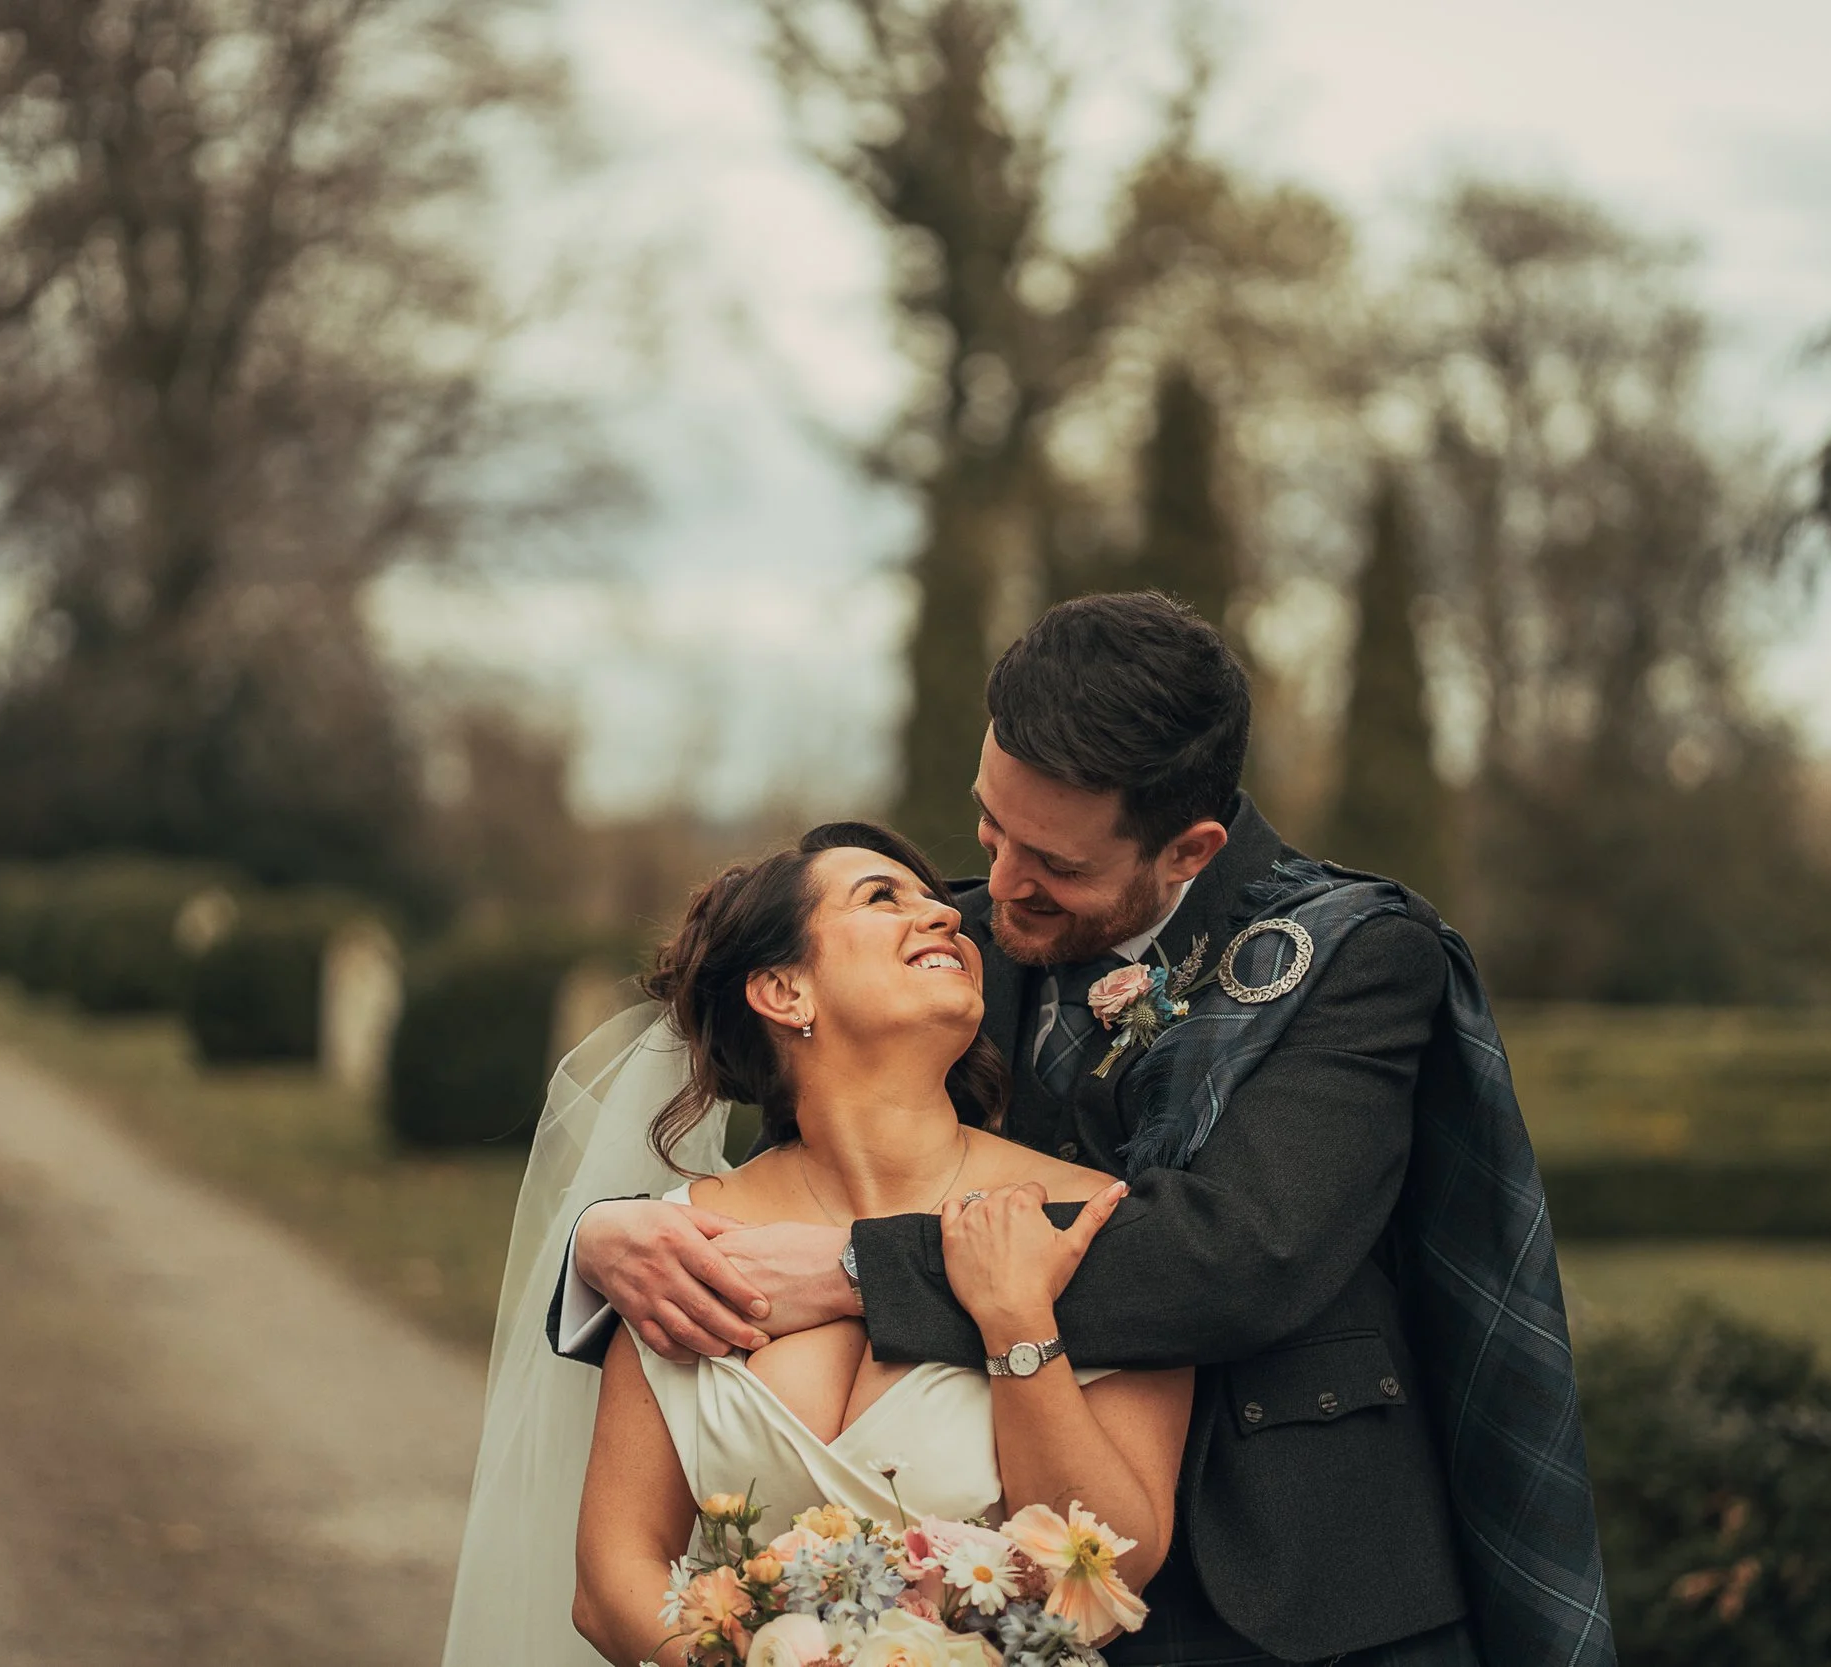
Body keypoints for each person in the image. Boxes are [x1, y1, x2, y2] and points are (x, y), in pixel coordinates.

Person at [546, 593, 1616, 1667]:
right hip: (979, 1590)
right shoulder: (947, 947)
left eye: (1052, 862)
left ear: (1188, 848)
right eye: (988, 825)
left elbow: (1244, 1251)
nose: (995, 887)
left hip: (1298, 1595)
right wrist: (603, 1238)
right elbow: (802, 1154)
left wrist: (861, 1271)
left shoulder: (1355, 957)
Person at [570, 823, 1193, 1666]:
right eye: (882, 897)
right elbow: (613, 1578)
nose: (944, 916)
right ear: (785, 991)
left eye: (937, 902)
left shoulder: (1091, 1213)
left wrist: (1016, 1320)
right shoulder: (672, 1248)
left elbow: (1116, 1562)